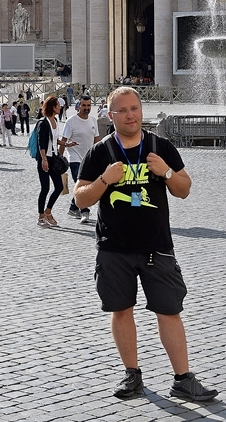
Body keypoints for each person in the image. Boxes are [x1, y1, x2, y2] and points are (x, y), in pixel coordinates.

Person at [74, 86, 217, 403]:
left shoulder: (159, 147)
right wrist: (104, 180)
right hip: (114, 248)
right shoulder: (100, 152)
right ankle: (132, 374)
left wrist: (166, 172)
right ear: (111, 115)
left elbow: (184, 189)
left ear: (141, 110)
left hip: (157, 247)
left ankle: (183, 379)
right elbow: (80, 198)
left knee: (169, 311)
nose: (130, 115)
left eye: (134, 109)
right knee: (121, 311)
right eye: (122, 110)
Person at [61, 95, 100, 223]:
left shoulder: (93, 120)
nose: (86, 108)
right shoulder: (71, 121)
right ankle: (85, 211)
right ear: (79, 106)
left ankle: (73, 207)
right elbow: (63, 140)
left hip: (88, 159)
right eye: (84, 105)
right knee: (83, 183)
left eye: (88, 105)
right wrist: (60, 159)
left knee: (86, 184)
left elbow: (96, 140)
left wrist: (98, 157)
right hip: (74, 158)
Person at [37, 94, 66, 227]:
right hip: (44, 158)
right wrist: (44, 159)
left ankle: (48, 211)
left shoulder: (55, 120)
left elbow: (53, 139)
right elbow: (41, 143)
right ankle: (41, 216)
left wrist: (65, 144)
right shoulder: (43, 123)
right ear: (53, 107)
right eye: (58, 105)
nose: (60, 107)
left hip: (53, 158)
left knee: (59, 186)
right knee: (45, 188)